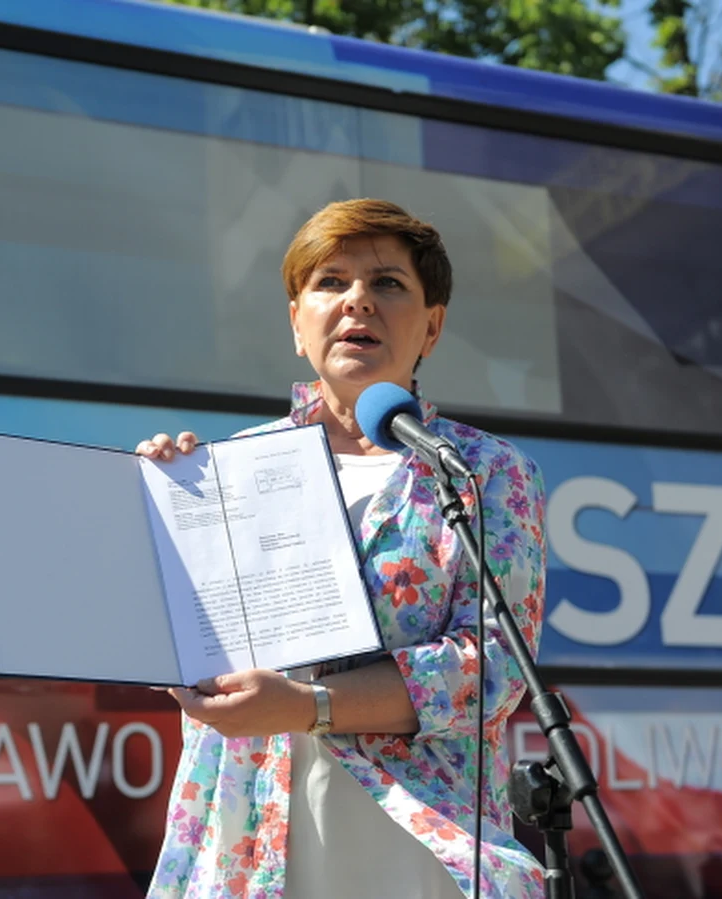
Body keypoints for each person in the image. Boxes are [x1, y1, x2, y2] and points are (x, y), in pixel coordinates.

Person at [137, 198, 547, 899]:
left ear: (433, 327)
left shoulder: (483, 470)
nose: (359, 300)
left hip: (415, 845)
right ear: (298, 322)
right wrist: (161, 510)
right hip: (247, 838)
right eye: (330, 282)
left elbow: (496, 669)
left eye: (388, 283)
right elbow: (172, 641)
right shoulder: (226, 465)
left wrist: (308, 704)